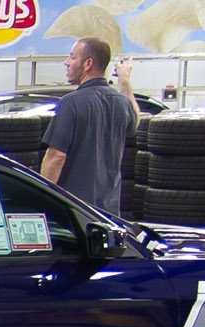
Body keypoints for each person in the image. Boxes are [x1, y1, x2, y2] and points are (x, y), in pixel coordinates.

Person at [40, 37, 138, 216]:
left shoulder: (71, 103)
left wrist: (43, 200)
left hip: (74, 212)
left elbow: (56, 157)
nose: (66, 62)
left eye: (72, 57)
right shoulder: (122, 103)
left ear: (88, 64)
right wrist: (125, 81)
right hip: (109, 215)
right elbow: (135, 122)